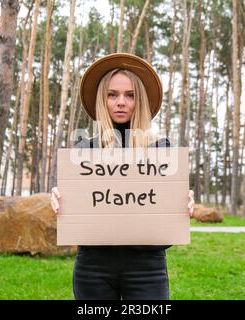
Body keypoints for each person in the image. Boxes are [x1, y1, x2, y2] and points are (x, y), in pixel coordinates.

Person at [51, 53, 195, 300]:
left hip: (147, 268)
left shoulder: (161, 150)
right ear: (102, 100)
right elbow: (78, 211)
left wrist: (180, 204)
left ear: (140, 101)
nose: (121, 102)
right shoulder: (84, 151)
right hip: (93, 268)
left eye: (130, 95)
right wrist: (60, 198)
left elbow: (166, 227)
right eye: (112, 94)